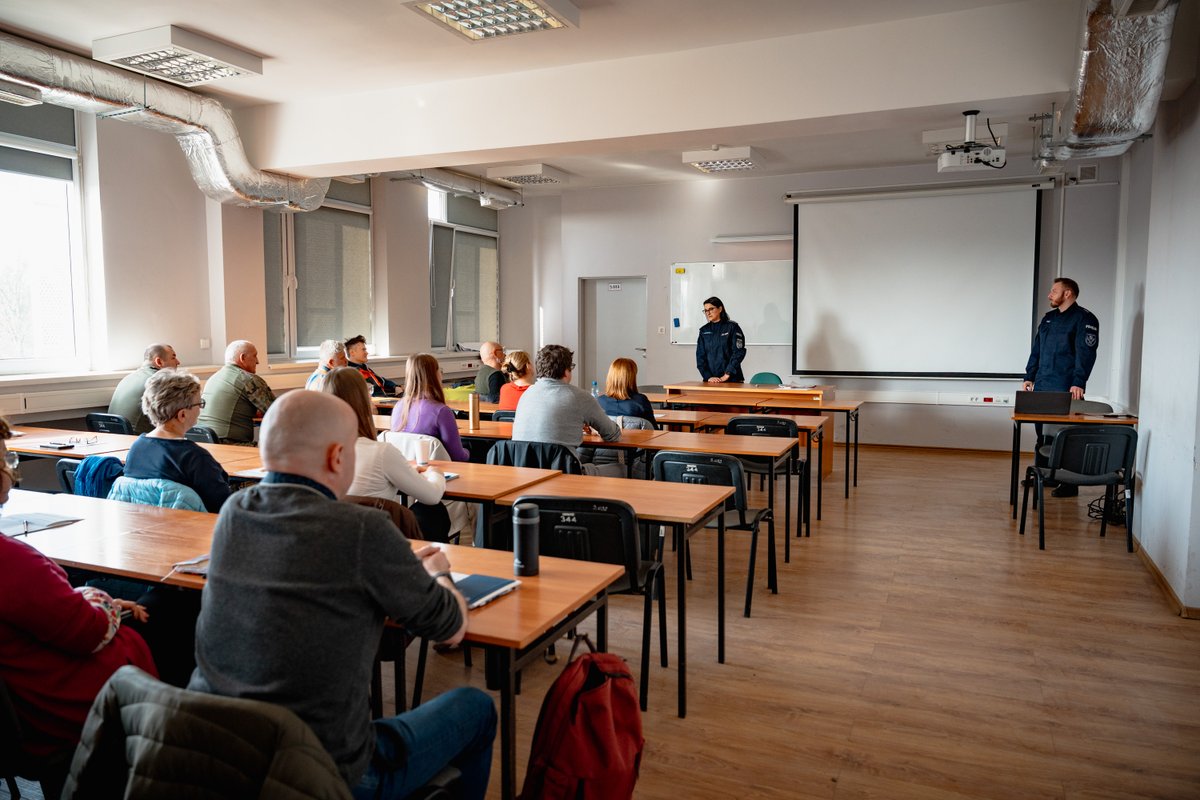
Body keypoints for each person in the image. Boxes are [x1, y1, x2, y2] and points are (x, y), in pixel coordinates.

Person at [188, 391, 496, 798]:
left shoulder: (235, 511)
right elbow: (450, 630)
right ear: (337, 457)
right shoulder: (363, 529)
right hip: (323, 770)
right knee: (475, 708)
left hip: (215, 754)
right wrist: (438, 575)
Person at [0, 416, 160, 762]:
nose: (10, 471)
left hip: (21, 697)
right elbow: (88, 632)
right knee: (156, 614)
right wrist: (98, 598)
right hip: (62, 712)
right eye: (4, 460)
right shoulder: (10, 562)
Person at [322, 366, 453, 541]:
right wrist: (435, 473)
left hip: (332, 539)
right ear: (362, 401)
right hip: (379, 540)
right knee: (432, 511)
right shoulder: (381, 452)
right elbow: (432, 496)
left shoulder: (313, 454)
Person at [1022, 277, 1100, 497]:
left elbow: (1086, 354)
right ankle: (1045, 475)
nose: (1049, 294)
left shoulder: (1084, 318)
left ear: (1068, 293)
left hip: (1066, 386)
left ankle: (1069, 482)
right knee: (1043, 433)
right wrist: (1030, 375)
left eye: (1054, 291)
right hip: (1043, 384)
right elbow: (1037, 350)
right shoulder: (1048, 319)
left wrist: (1078, 381)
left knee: (1065, 436)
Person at [122, 368, 231, 512]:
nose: (200, 409)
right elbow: (224, 506)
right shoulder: (195, 457)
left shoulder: (137, 448)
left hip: (148, 527)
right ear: (182, 415)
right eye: (199, 404)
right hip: (197, 529)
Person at [511, 344, 622, 476]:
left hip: (524, 476)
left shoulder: (526, 394)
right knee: (623, 469)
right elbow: (612, 435)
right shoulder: (579, 397)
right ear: (566, 371)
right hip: (564, 475)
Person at [391, 353, 470, 461]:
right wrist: (469, 451)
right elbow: (457, 457)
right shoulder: (441, 411)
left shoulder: (398, 406)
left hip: (405, 472)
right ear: (435, 374)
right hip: (437, 472)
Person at [198, 340, 275, 445]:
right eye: (255, 356)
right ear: (242, 358)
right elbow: (276, 411)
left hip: (204, 442)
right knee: (280, 451)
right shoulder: (248, 379)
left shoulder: (214, 378)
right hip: (230, 444)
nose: (257, 361)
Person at [108, 343, 181, 434]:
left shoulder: (128, 378)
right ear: (159, 362)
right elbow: (178, 417)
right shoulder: (160, 381)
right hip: (137, 438)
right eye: (173, 357)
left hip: (112, 435)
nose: (178, 362)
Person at [696, 296, 747, 383]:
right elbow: (700, 357)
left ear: (720, 309)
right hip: (711, 381)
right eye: (705, 310)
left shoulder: (732, 327)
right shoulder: (704, 330)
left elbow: (739, 352)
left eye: (711, 309)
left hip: (732, 379)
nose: (708, 313)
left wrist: (727, 374)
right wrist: (708, 377)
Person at [597, 357, 656, 426]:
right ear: (631, 378)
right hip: (636, 437)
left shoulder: (599, 402)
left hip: (608, 436)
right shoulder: (640, 401)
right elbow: (653, 429)